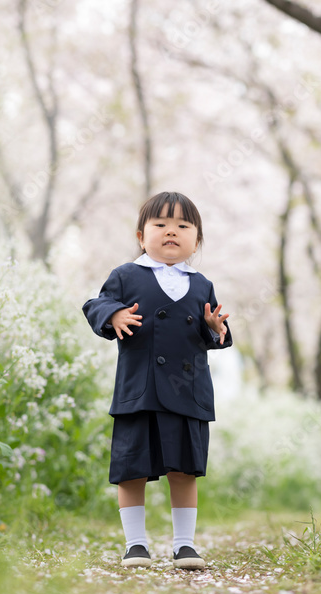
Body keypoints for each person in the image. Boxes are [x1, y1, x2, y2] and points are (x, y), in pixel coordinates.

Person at [82, 191, 232, 570]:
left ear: (196, 240)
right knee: (132, 468)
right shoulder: (127, 275)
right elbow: (95, 304)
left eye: (183, 226)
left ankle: (185, 545)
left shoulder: (201, 285)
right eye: (160, 224)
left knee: (184, 469)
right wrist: (114, 314)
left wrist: (215, 329)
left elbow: (213, 332)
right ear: (140, 235)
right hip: (140, 389)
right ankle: (136, 544)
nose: (171, 232)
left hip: (189, 392)